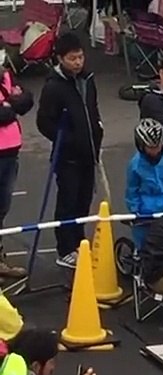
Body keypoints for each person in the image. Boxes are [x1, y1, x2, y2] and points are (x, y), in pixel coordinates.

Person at [35, 33, 103, 269]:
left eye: (80, 57)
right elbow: (44, 122)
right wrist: (67, 140)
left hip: (90, 153)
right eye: (72, 58)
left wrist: (98, 131)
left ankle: (78, 242)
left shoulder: (88, 79)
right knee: (68, 202)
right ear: (60, 59)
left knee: (84, 201)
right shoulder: (53, 87)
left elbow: (92, 108)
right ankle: (65, 249)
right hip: (68, 158)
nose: (78, 62)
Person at [125, 118, 163, 252]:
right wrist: (135, 210)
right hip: (146, 208)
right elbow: (132, 190)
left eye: (158, 147)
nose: (155, 151)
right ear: (141, 145)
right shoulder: (135, 165)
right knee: (145, 241)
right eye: (151, 148)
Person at [0, 61, 32, 280]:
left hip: (10, 152)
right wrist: (12, 104)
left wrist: (10, 105)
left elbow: (26, 100)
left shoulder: (6, 75)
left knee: (2, 208)